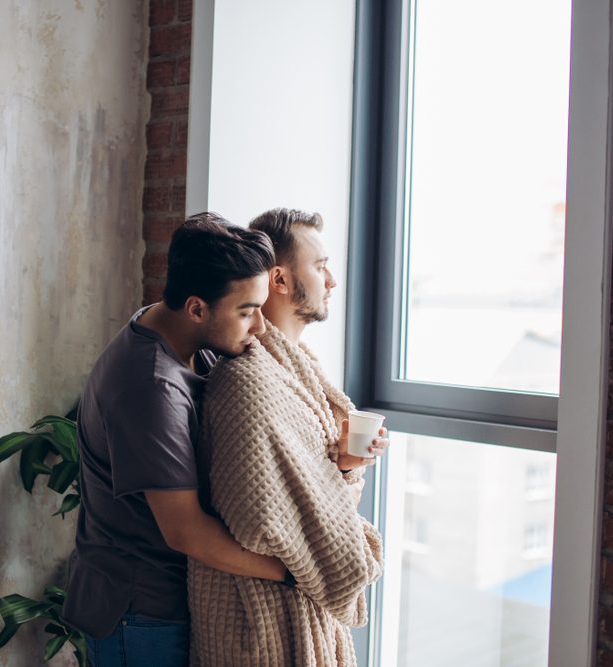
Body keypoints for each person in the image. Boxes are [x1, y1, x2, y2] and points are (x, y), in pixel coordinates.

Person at [62, 213, 291, 667]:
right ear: (197, 308)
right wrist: (290, 572)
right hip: (141, 614)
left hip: (154, 607)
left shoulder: (175, 333)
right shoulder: (150, 387)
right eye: (247, 311)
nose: (260, 327)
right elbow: (185, 530)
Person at [188, 208, 388, 666]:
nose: (331, 280)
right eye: (320, 266)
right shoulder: (248, 382)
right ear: (278, 279)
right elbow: (262, 516)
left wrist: (345, 465)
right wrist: (334, 490)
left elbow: (308, 497)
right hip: (262, 628)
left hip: (296, 609)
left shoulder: (298, 370)